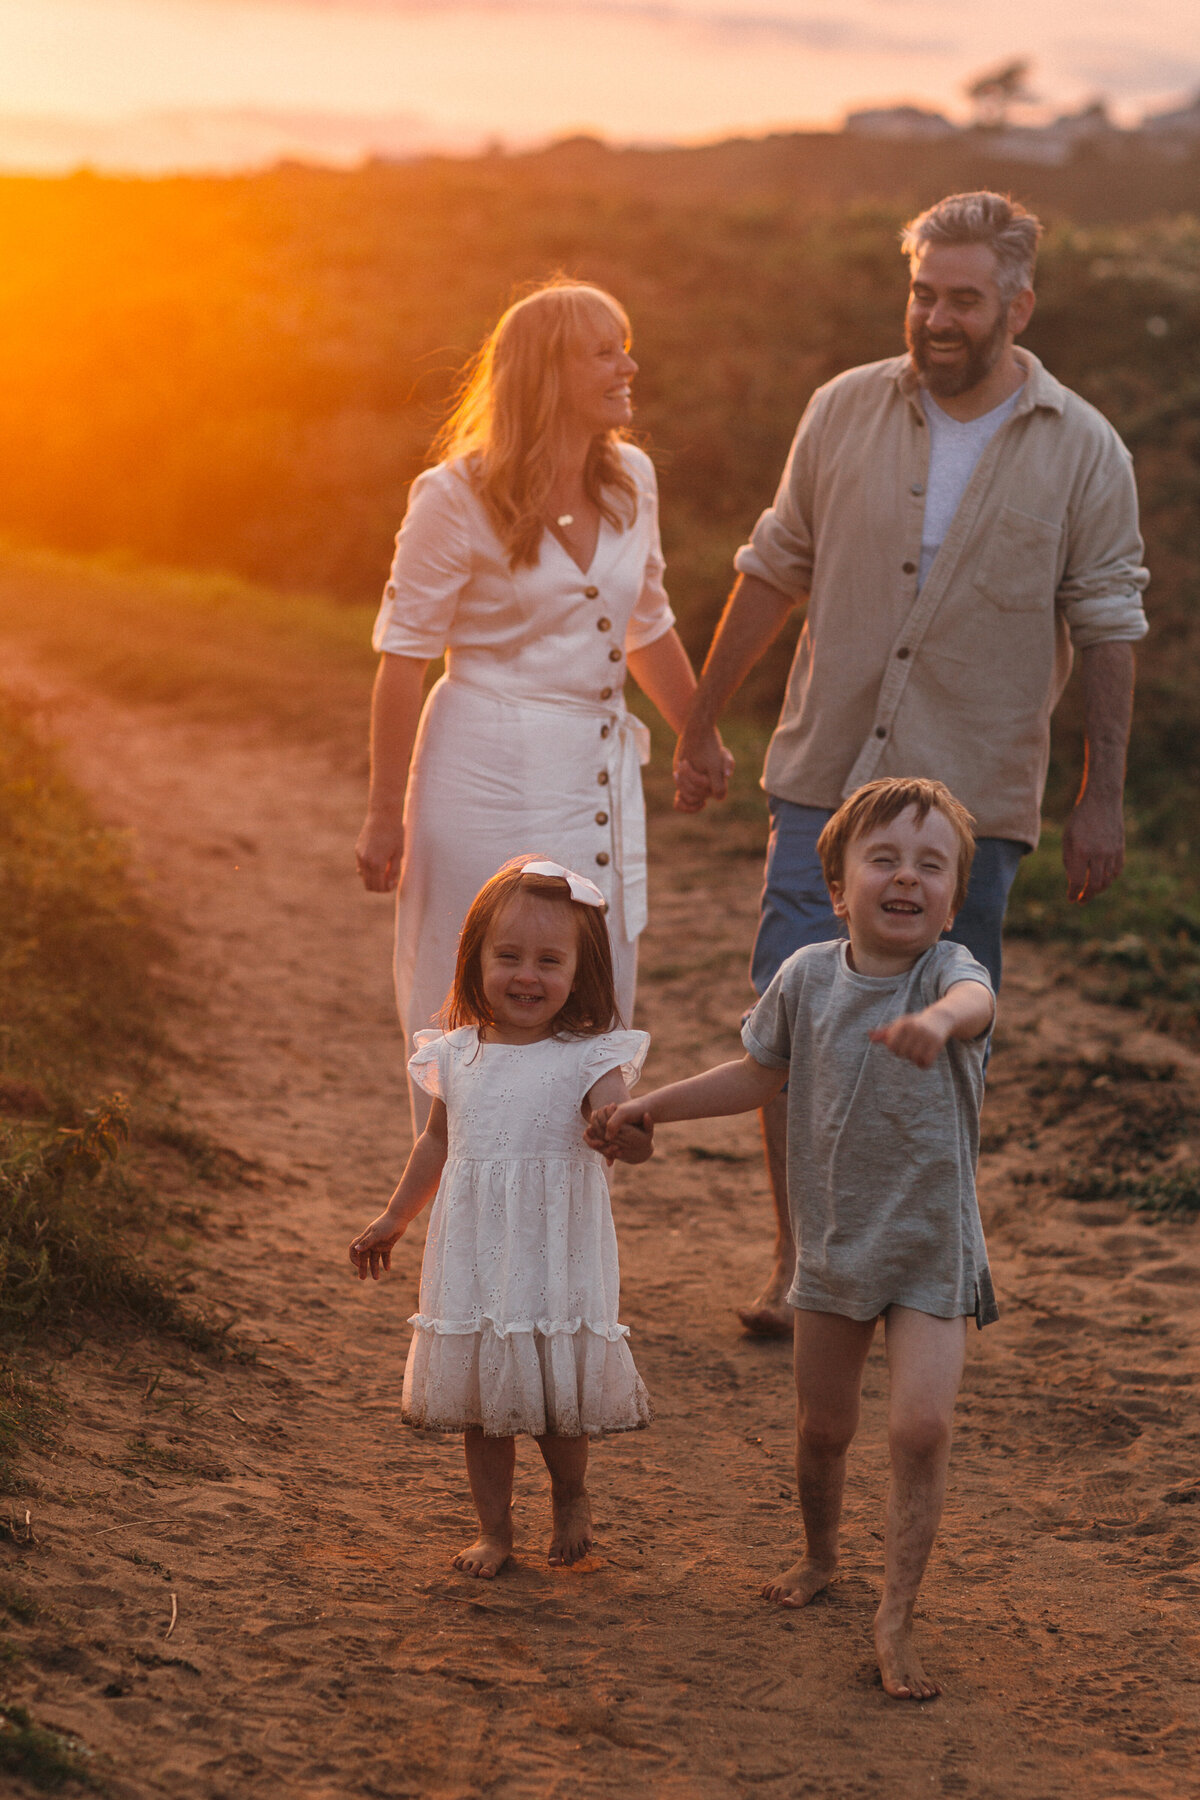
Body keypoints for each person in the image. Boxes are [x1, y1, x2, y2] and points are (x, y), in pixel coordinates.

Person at [672, 191, 1149, 1336]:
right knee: (791, 1018)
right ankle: (803, 1262)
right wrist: (698, 719)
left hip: (974, 801)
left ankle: (920, 1263)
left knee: (945, 1037)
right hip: (824, 779)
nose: (937, 316)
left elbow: (1112, 623)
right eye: (923, 292)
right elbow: (774, 565)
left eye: (964, 298)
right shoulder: (841, 409)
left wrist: (1103, 800)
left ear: (1018, 306)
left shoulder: (1083, 447)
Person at [590, 777, 997, 1701]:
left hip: (933, 1248)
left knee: (921, 1425)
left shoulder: (949, 976)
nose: (907, 878)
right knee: (823, 1428)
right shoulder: (807, 976)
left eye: (931, 866)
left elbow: (976, 1003)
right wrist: (652, 1107)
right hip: (836, 1250)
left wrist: (934, 1023)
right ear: (837, 885)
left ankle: (895, 1615)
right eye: (884, 859)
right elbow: (753, 1075)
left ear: (955, 896)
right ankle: (820, 1559)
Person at [355, 278, 719, 1128]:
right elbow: (402, 659)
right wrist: (383, 816)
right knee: (478, 1000)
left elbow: (648, 621)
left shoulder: (632, 479)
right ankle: (460, 1210)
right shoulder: (453, 495)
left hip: (592, 779)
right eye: (605, 350)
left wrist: (696, 735)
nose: (629, 365)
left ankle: (563, 1222)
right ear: (546, 373)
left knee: (588, 994)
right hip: (479, 770)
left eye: (624, 345)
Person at [349, 857, 654, 1581]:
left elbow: (626, 1128)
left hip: (553, 1252)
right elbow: (436, 1141)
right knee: (483, 1403)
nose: (527, 975)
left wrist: (628, 1135)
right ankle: (494, 1530)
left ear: (580, 971)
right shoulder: (455, 1056)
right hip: (477, 1253)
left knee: (551, 1395)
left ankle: (571, 1495)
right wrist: (394, 1217)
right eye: (508, 956)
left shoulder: (589, 1057)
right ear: (474, 958)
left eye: (550, 960)